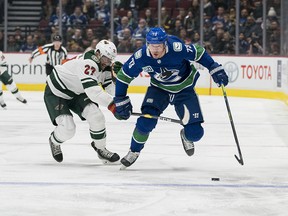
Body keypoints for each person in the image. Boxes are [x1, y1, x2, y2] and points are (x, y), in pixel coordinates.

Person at [111, 27, 229, 169]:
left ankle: (185, 135)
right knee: (145, 123)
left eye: (158, 46)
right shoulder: (141, 56)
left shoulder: (176, 48)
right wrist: (120, 99)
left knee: (195, 134)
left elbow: (198, 52)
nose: (155, 50)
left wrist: (213, 67)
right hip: (159, 90)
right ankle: (133, 151)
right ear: (147, 44)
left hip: (185, 90)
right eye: (152, 45)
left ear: (165, 44)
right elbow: (124, 76)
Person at [44, 39, 120, 164]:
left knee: (96, 116)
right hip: (57, 91)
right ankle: (54, 140)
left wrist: (118, 79)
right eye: (107, 58)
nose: (108, 62)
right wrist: (113, 106)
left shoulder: (105, 66)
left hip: (78, 92)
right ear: (98, 53)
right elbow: (94, 92)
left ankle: (100, 149)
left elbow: (111, 90)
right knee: (68, 129)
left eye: (111, 59)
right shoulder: (89, 62)